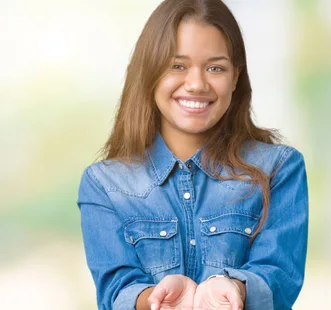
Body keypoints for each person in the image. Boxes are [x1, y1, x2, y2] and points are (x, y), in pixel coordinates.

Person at [77, 1, 309, 309]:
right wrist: (157, 300)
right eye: (178, 66)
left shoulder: (279, 169)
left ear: (236, 77)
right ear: (150, 72)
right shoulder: (104, 184)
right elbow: (115, 292)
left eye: (215, 68)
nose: (197, 84)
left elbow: (279, 278)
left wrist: (233, 289)